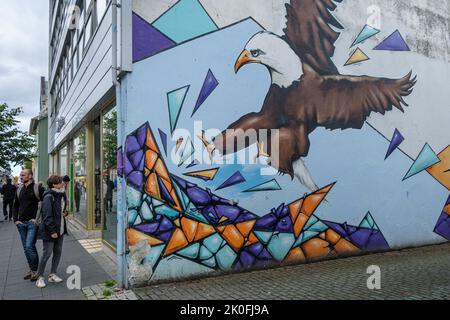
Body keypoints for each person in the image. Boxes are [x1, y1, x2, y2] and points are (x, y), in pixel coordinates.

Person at [35, 175, 68, 288]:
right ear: (54, 185)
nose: (63, 183)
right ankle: (39, 277)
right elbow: (47, 216)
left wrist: (65, 213)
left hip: (61, 230)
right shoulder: (49, 196)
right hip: (51, 231)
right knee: (47, 254)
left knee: (58, 252)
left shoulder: (60, 194)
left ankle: (52, 274)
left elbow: (62, 211)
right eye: (60, 182)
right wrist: (53, 231)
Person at [13, 169, 45, 281]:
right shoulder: (19, 189)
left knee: (29, 246)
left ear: (30, 176)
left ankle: (36, 271)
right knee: (26, 248)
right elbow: (15, 205)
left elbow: (44, 204)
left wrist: (37, 220)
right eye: (20, 175)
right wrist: (16, 220)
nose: (21, 176)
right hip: (21, 224)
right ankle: (32, 270)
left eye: (23, 175)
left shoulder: (38, 188)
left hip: (32, 223)